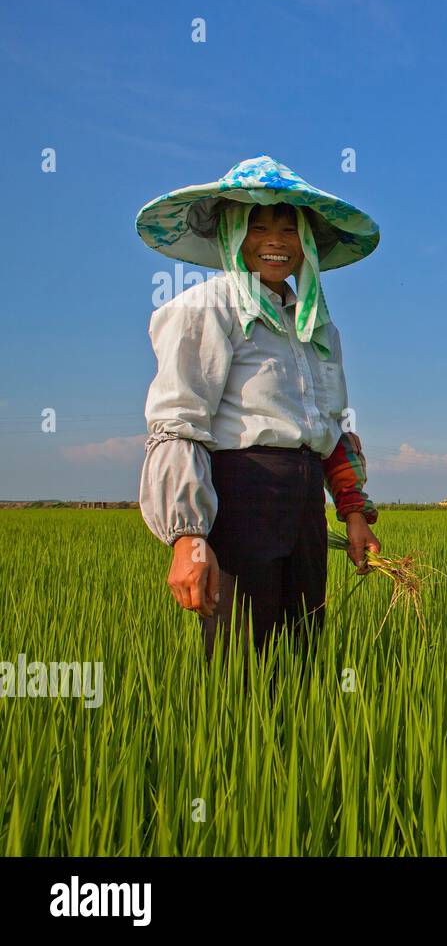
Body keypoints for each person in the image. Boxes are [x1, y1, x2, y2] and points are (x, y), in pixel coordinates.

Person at [135, 155, 382, 660]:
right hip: (242, 492)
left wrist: (353, 511)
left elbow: (328, 428)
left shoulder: (317, 327)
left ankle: (300, 737)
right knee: (240, 652)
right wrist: (188, 537)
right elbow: (179, 425)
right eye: (259, 226)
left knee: (303, 645)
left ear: (307, 244)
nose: (276, 241)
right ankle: (232, 739)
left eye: (290, 230)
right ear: (231, 235)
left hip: (305, 496)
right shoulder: (205, 308)